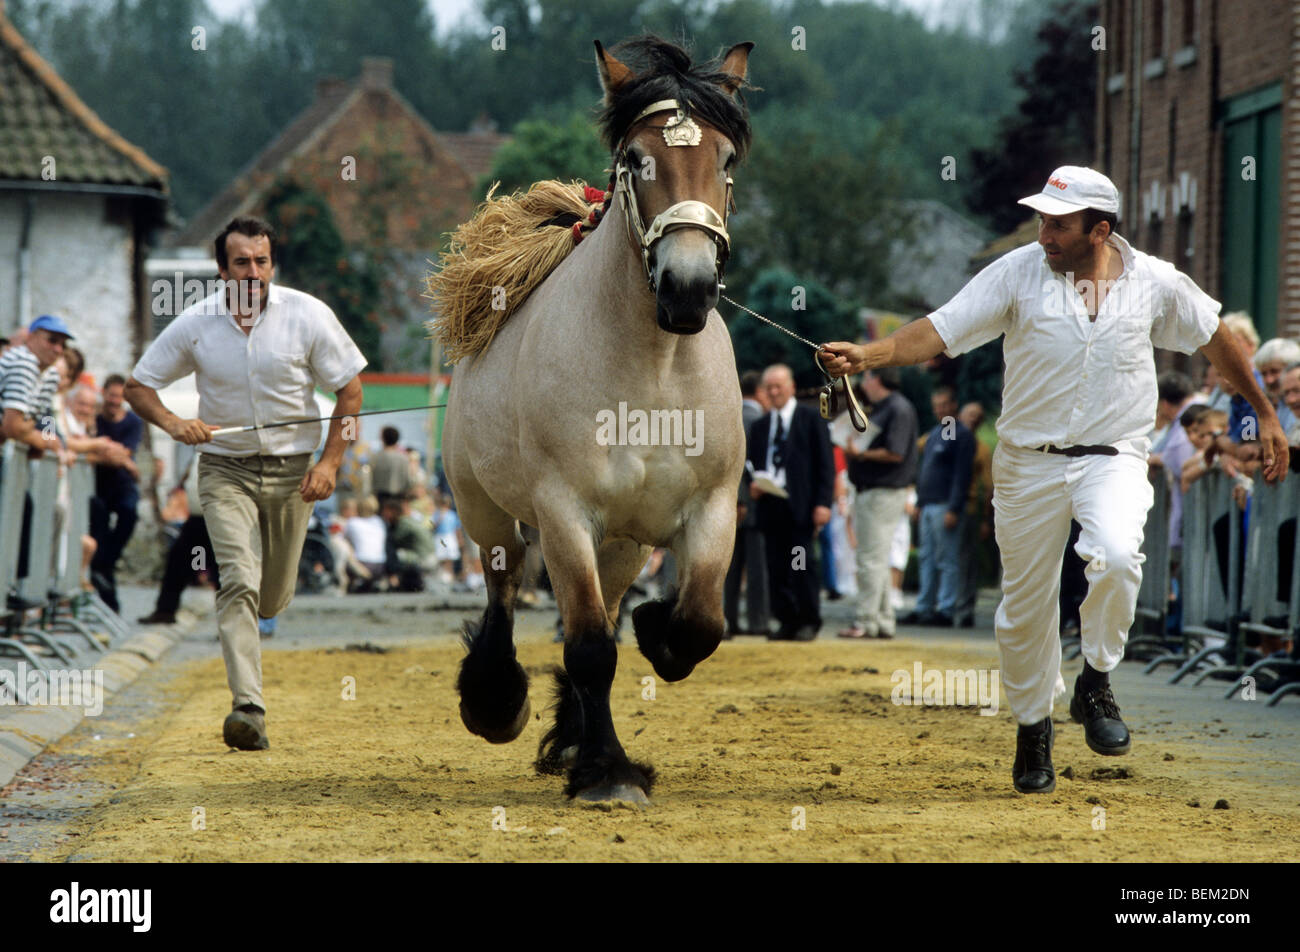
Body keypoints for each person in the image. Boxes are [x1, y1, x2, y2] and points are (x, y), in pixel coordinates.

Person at [819, 165, 1287, 794]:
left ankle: (1095, 681)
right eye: (1042, 220)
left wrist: (1262, 411)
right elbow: (943, 329)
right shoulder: (1017, 273)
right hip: (1028, 461)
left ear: (1100, 230)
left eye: (1058, 224)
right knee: (1024, 612)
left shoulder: (1154, 281)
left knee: (1118, 557)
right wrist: (869, 354)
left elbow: (1216, 337)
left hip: (1113, 455)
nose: (1043, 234)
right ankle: (1033, 728)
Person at [124, 216, 366, 751]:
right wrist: (173, 423)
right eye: (241, 262)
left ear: (271, 264)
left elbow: (350, 391)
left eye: (261, 261)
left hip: (293, 475)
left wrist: (329, 465)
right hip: (223, 469)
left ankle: (265, 618)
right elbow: (138, 387)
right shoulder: (195, 323)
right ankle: (248, 707)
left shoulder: (308, 315)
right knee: (237, 579)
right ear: (222, 269)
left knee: (272, 597)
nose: (252, 272)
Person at [747, 363, 834, 641]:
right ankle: (786, 619)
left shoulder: (811, 419)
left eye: (778, 386)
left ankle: (808, 619)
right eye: (769, 387)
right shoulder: (761, 426)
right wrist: (755, 485)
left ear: (791, 387)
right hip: (772, 506)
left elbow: (825, 465)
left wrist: (823, 503)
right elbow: (753, 463)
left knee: (801, 565)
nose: (774, 392)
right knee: (776, 567)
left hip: (801, 508)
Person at [837, 367, 918, 640]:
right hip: (876, 489)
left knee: (869, 558)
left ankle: (866, 621)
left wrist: (860, 452)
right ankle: (883, 620)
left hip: (882, 490)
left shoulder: (898, 408)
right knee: (878, 558)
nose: (864, 383)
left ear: (878, 379)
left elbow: (895, 452)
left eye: (867, 378)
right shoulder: (889, 406)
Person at [901, 385, 974, 627]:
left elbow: (960, 474)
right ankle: (924, 607)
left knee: (947, 559)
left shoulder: (958, 434)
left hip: (945, 505)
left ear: (954, 406)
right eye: (937, 406)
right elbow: (925, 471)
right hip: (929, 504)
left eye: (944, 405)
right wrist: (920, 502)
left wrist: (954, 507)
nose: (940, 410)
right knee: (927, 558)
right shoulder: (935, 433)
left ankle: (945, 608)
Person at [88, 374, 144, 612]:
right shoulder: (94, 417)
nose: (114, 401)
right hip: (97, 484)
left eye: (119, 397)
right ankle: (109, 599)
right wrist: (121, 459)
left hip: (122, 485)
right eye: (111, 395)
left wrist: (105, 451)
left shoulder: (133, 422)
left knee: (129, 514)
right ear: (104, 393)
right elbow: (120, 456)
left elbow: (127, 452)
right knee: (99, 534)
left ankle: (106, 564)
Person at [725, 369, 770, 636]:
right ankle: (758, 620)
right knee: (757, 568)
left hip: (729, 502)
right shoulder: (758, 419)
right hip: (752, 502)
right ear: (760, 391)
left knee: (730, 568)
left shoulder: (730, 415)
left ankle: (729, 618)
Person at [956, 401, 993, 625]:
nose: (972, 418)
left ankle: (965, 609)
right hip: (945, 505)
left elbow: (989, 487)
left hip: (969, 509)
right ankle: (943, 606)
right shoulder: (950, 436)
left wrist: (987, 520)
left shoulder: (982, 449)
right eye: (968, 414)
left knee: (966, 561)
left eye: (976, 416)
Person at [371, 425, 414, 503]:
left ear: (383, 439)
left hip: (380, 498)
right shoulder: (403, 458)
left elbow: (371, 479)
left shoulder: (376, 457)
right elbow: (408, 481)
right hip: (399, 498)